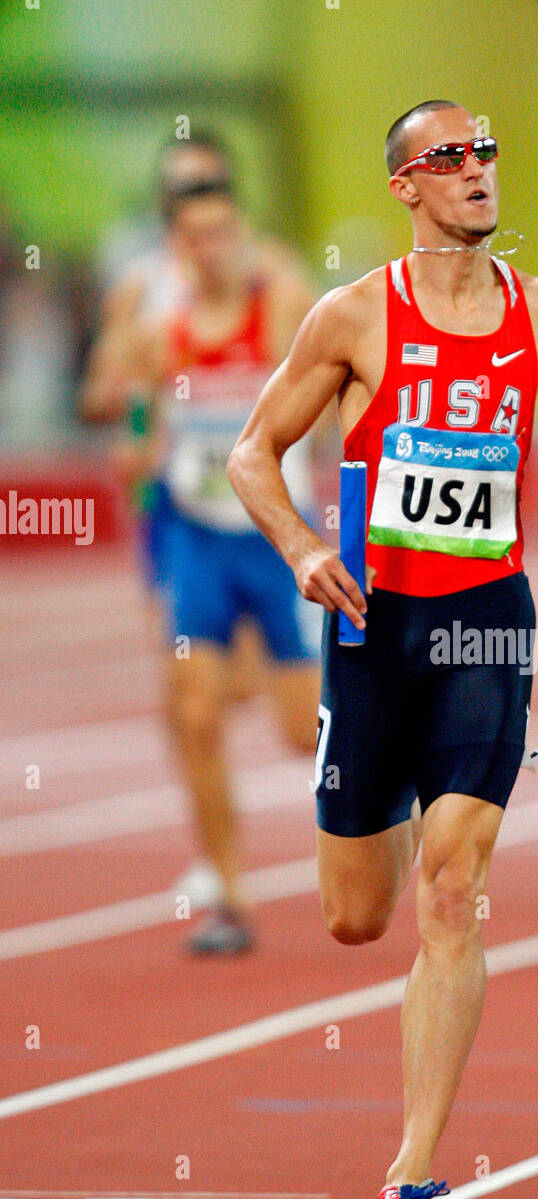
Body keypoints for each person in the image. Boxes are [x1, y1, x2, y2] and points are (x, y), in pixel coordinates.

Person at [227, 100, 538, 1199]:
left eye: (486, 151)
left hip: (484, 625)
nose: (478, 171)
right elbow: (249, 451)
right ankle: (392, 820)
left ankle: (410, 1175)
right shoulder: (354, 315)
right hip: (372, 630)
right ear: (406, 189)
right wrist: (303, 550)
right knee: (353, 916)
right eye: (451, 158)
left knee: (453, 884)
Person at [80, 132, 317, 913]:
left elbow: (335, 379)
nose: (208, 246)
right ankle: (225, 882)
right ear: (170, 230)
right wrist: (136, 436)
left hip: (277, 527)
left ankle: (399, 787)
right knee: (193, 704)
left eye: (220, 222)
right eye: (192, 227)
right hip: (189, 529)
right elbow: (116, 399)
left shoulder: (280, 287)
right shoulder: (149, 308)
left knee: (300, 731)